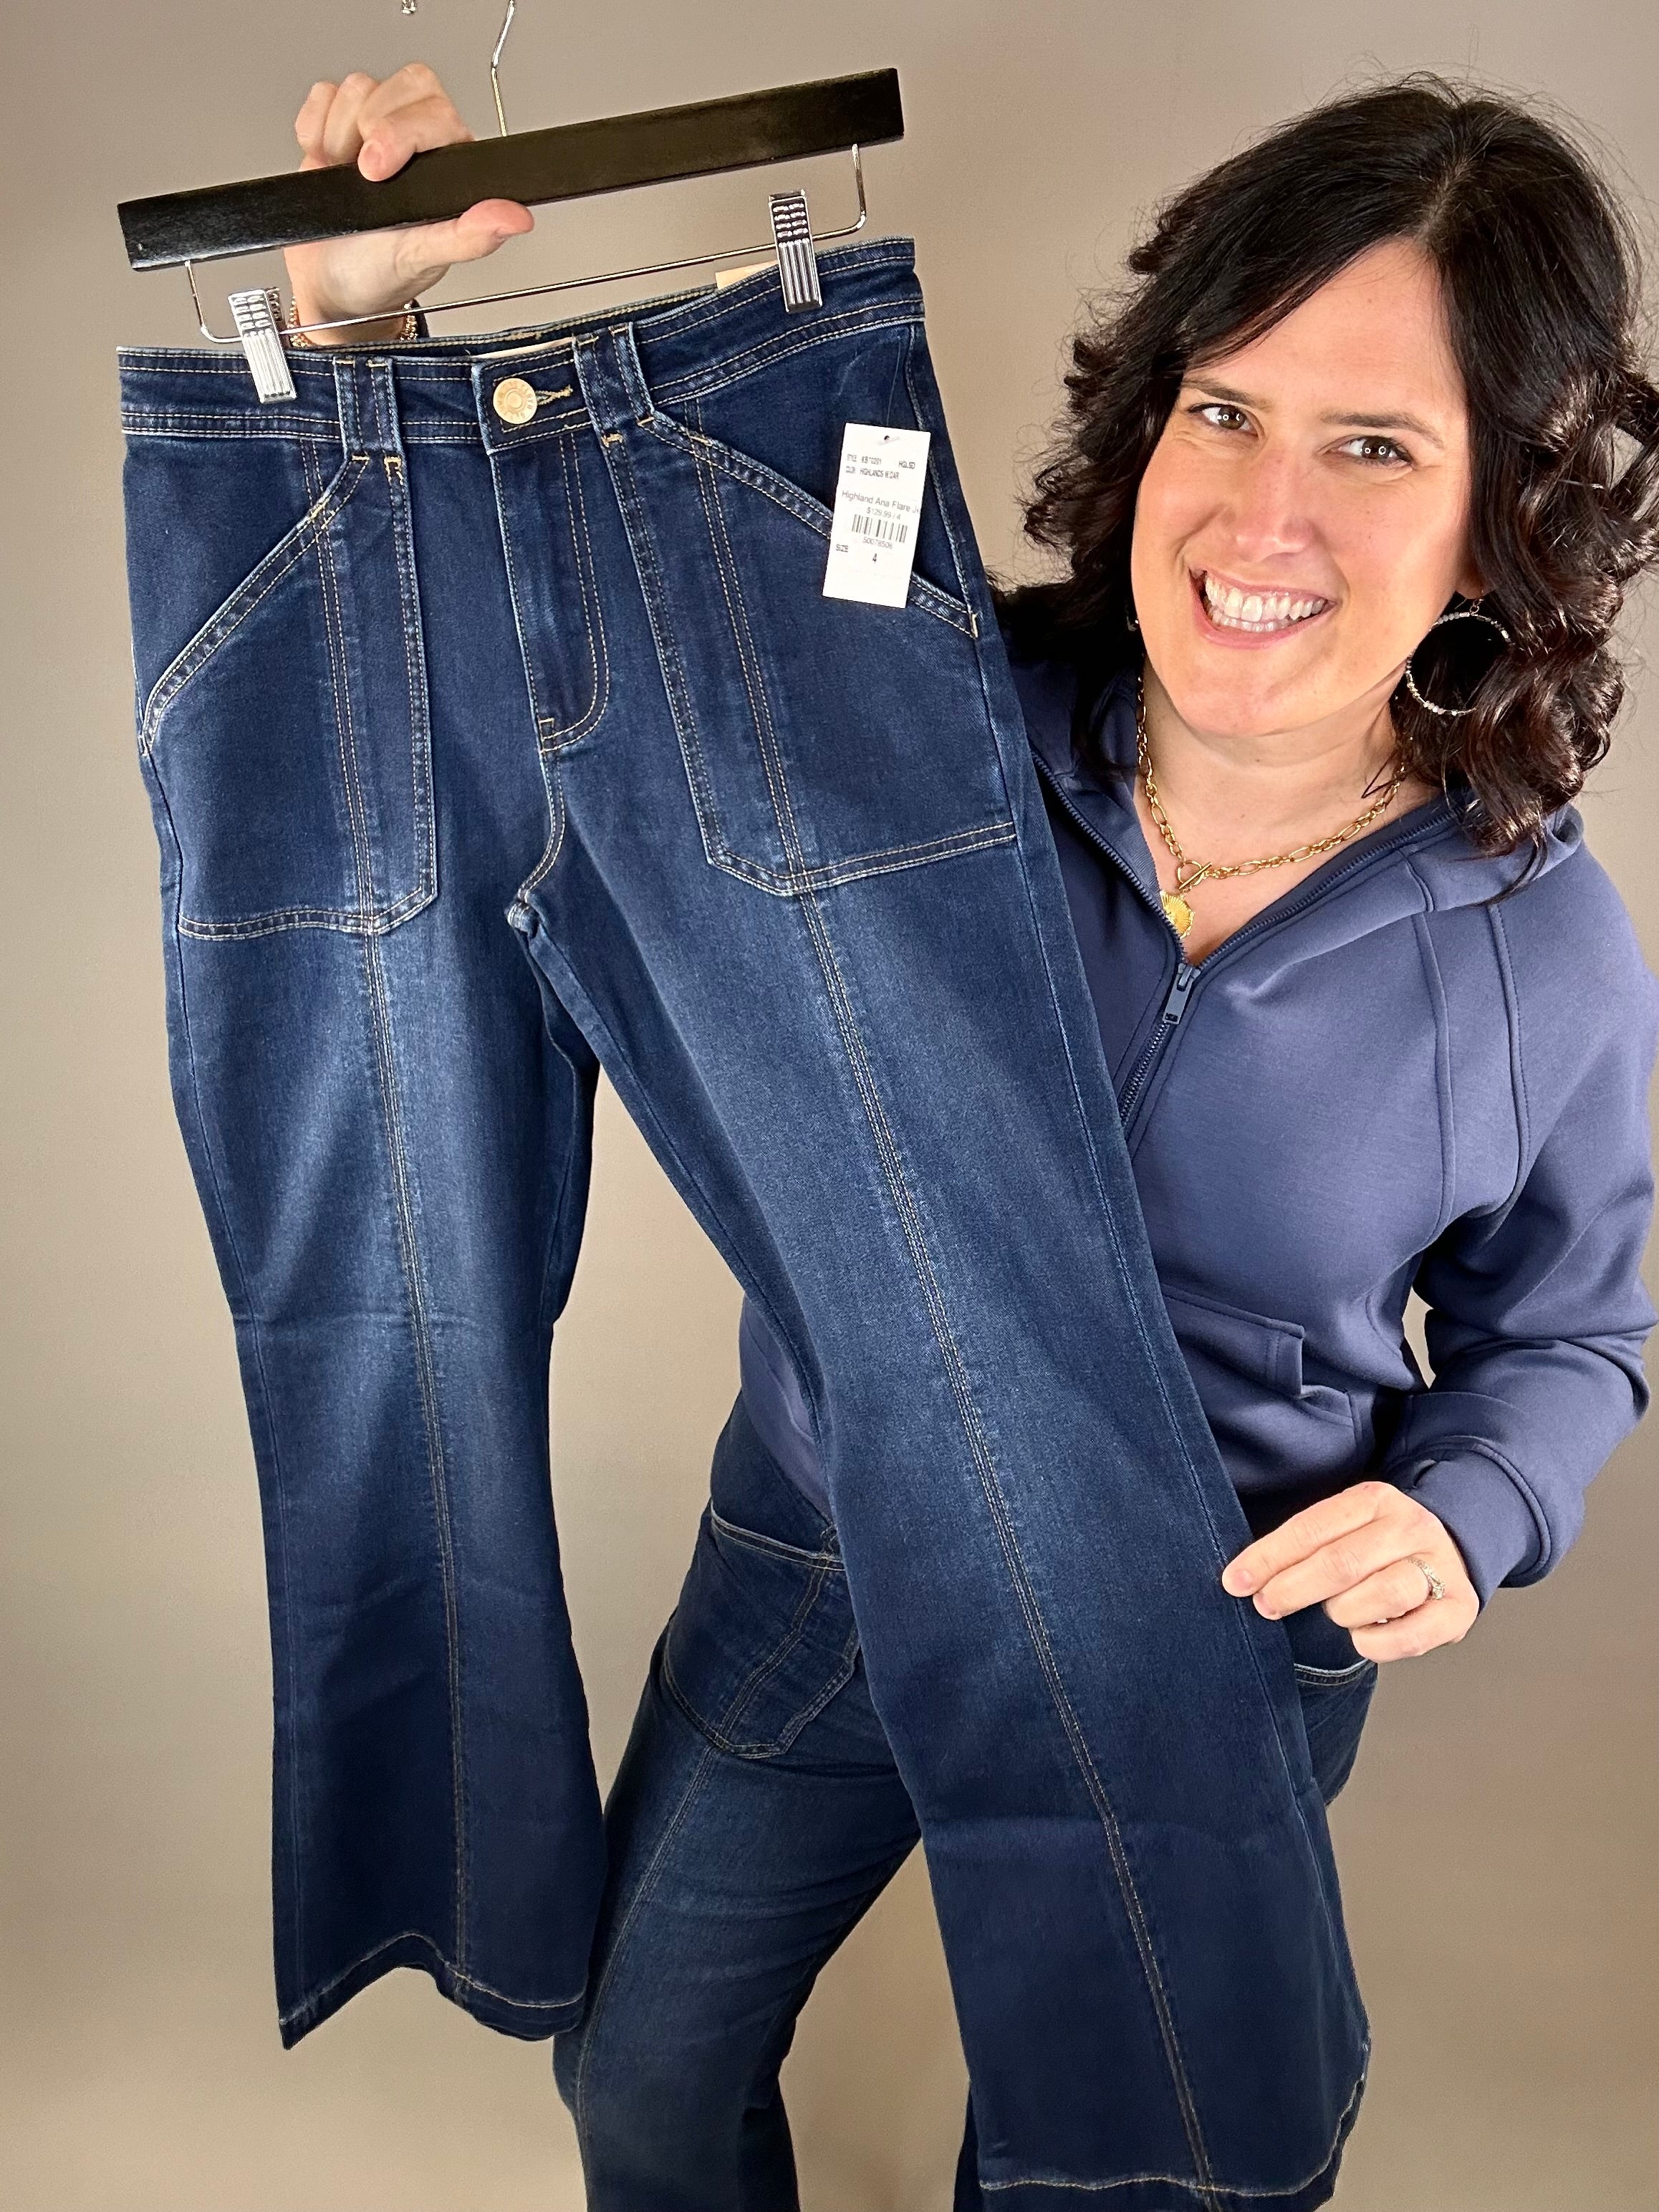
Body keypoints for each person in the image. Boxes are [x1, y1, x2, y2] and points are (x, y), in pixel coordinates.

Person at [282, 64, 1659, 2205]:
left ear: (1507, 513)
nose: (1262, 517)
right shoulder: (902, 728)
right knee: (639, 2073)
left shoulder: (1537, 948)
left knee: (1088, 2160)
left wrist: (1465, 1510)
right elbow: (502, 697)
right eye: (1225, 409)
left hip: (1210, 1620)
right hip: (818, 1554)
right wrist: (350, 337)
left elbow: (1570, 1332)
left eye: (1375, 445)